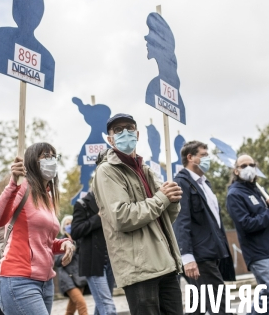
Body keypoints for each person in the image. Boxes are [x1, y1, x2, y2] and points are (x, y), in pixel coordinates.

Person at [92, 113, 184, 315]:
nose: (125, 132)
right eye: (118, 130)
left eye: (129, 128)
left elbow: (164, 219)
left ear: (138, 134)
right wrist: (162, 198)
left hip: (165, 263)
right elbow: (122, 217)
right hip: (140, 269)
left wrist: (173, 201)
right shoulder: (107, 171)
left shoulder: (146, 169)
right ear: (110, 139)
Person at [0, 142, 75, 315]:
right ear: (31, 161)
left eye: (53, 156)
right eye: (45, 156)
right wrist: (13, 183)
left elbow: (44, 242)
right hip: (19, 280)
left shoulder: (48, 199)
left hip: (46, 282)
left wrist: (64, 243)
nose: (51, 160)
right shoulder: (22, 187)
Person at [173, 140, 231, 314]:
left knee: (197, 306)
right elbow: (180, 221)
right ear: (190, 157)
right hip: (199, 256)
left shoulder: (204, 183)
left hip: (212, 252)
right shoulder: (182, 183)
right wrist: (187, 257)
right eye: (203, 155)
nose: (207, 159)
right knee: (219, 304)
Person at [226, 154, 269, 313]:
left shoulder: (259, 190)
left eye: (251, 165)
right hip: (258, 253)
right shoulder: (235, 194)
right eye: (243, 166)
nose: (248, 168)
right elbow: (247, 224)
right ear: (236, 171)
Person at [71, 191, 117, 315]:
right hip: (93, 262)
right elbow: (75, 232)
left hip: (111, 261)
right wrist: (97, 218)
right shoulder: (82, 204)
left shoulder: (111, 203)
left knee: (101, 306)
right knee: (108, 308)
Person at [55, 215, 88, 315]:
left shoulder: (79, 240)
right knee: (81, 304)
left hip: (79, 277)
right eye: (67, 224)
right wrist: (70, 251)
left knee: (71, 309)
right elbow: (57, 262)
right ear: (63, 227)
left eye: (71, 223)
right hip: (67, 278)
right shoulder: (60, 242)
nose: (69, 226)